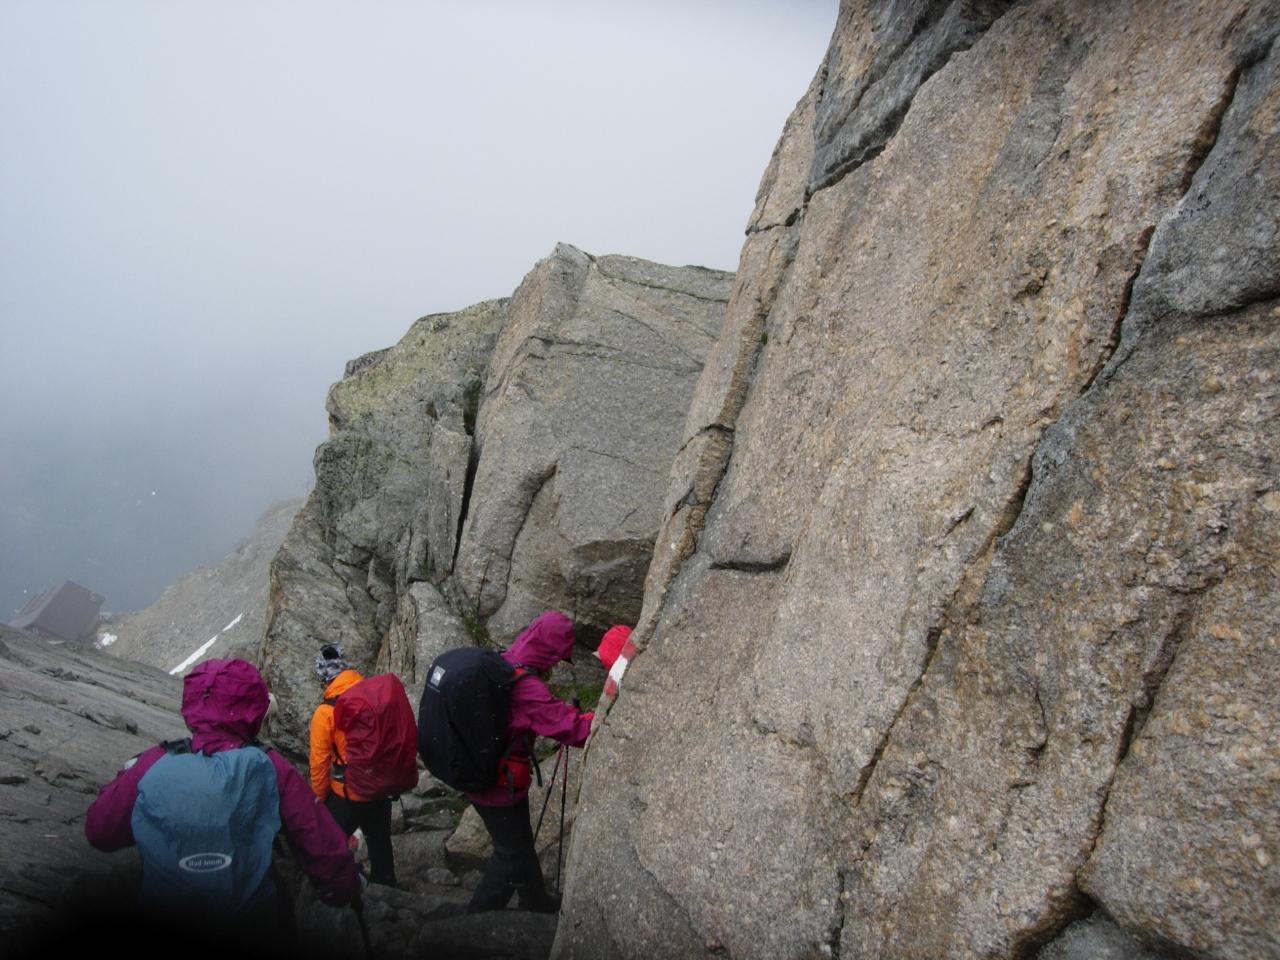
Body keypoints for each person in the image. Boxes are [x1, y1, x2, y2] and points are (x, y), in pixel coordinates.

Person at [84, 658, 361, 947]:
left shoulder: (152, 763)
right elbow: (317, 840)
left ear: (191, 703)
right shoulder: (270, 766)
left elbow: (100, 831)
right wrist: (343, 886)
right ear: (254, 710)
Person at [467, 610, 594, 914]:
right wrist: (600, 716)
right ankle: (474, 920)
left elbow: (540, 711)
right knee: (510, 855)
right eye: (557, 658)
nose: (555, 665)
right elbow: (574, 731)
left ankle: (536, 903)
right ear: (549, 652)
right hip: (499, 784)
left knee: (520, 843)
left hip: (481, 771)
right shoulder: (525, 685)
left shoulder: (505, 660)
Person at [309, 643, 397, 887]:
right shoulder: (373, 694)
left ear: (323, 678)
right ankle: (386, 885)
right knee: (379, 838)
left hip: (348, 790)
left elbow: (319, 764)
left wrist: (318, 801)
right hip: (380, 783)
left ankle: (340, 886)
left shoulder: (325, 713)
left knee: (329, 841)